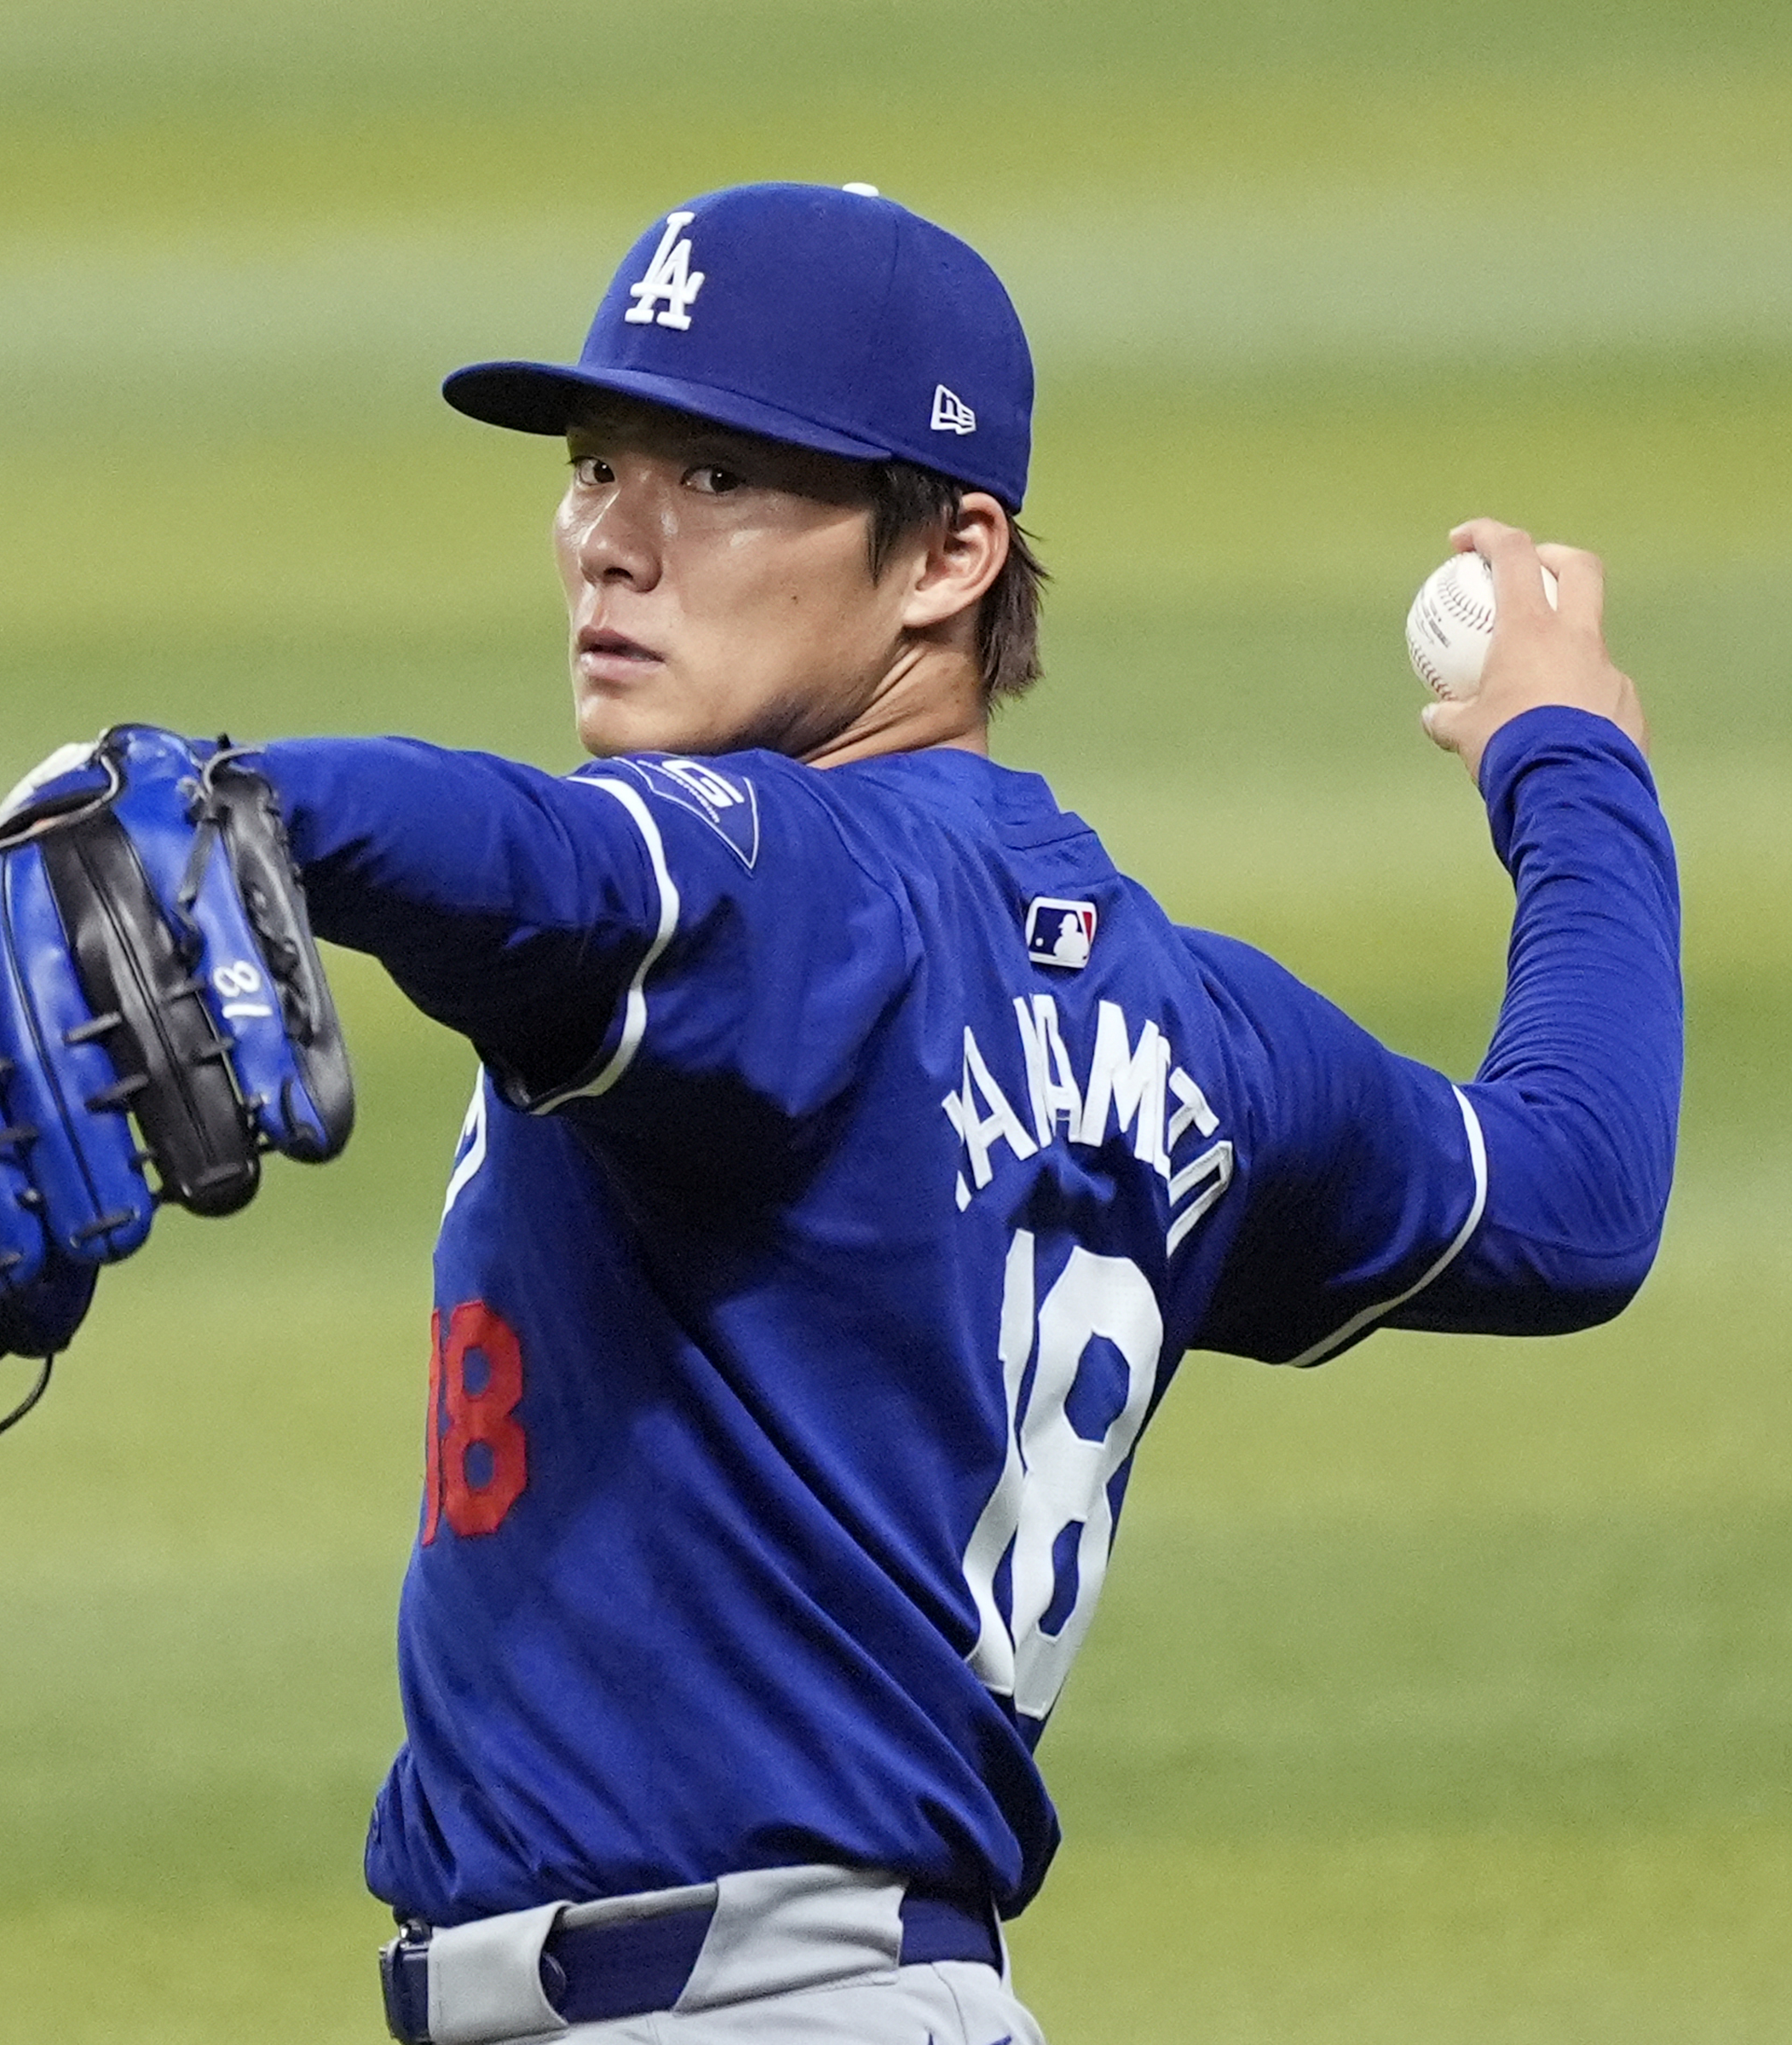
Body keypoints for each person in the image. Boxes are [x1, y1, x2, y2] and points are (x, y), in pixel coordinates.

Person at [229, 181, 1677, 2042]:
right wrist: (1571, 761)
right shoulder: (1192, 1023)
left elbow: (530, 859)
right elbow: (1573, 1187)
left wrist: (228, 804)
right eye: (597, 463)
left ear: (949, 554)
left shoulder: (778, 888)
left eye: (723, 480)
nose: (611, 541)